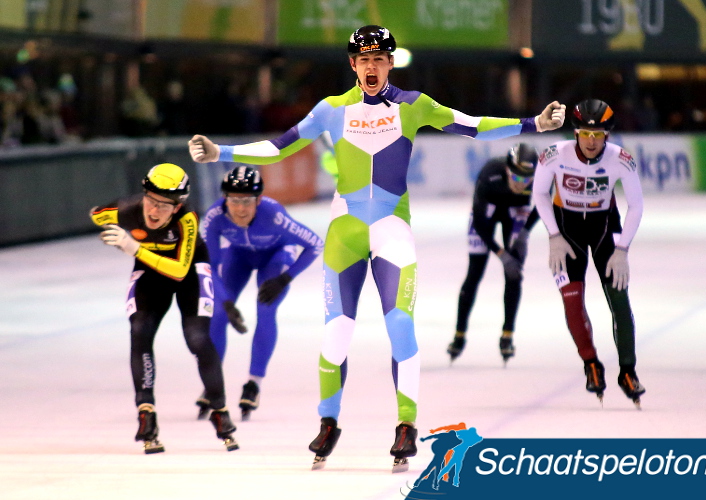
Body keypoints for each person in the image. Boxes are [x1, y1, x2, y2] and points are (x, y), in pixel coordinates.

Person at [188, 25, 566, 470]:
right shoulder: (332, 109)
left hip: (391, 228)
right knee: (336, 335)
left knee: (400, 325)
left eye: (380, 59)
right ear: (353, 65)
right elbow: (279, 146)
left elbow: (470, 125)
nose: (372, 66)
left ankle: (406, 425)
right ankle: (328, 422)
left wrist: (531, 124)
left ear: (390, 63)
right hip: (345, 231)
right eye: (364, 59)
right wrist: (223, 154)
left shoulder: (413, 105)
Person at [90, 163, 239, 453]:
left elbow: (180, 271)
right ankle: (146, 415)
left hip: (190, 272)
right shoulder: (126, 209)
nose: (154, 211)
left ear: (178, 206)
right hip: (150, 270)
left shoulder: (187, 220)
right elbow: (96, 214)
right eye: (151, 200)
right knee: (139, 330)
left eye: (164, 206)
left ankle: (220, 411)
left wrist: (134, 248)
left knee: (196, 337)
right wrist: (109, 230)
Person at [531, 99, 646, 409]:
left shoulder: (621, 158)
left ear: (608, 135)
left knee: (619, 301)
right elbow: (539, 193)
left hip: (605, 228)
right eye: (584, 134)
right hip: (567, 232)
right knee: (572, 300)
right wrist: (553, 235)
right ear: (576, 133)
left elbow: (636, 205)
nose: (592, 141)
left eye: (598, 135)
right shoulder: (555, 154)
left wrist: (622, 249)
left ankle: (628, 371)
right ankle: (591, 364)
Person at [195, 165, 323, 421]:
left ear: (260, 200)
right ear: (224, 199)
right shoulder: (213, 217)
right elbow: (210, 267)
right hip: (239, 256)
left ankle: (253, 383)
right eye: (234, 201)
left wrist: (285, 278)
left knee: (265, 310)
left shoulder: (273, 214)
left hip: (275, 257)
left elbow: (315, 244)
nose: (240, 208)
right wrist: (227, 303)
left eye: (247, 201)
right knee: (218, 313)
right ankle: (213, 382)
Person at [447, 143, 540, 366]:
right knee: (475, 272)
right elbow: (480, 224)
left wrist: (525, 233)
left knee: (514, 273)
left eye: (526, 180)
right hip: (487, 215)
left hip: (515, 213)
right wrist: (501, 254)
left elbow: (545, 204)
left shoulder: (539, 178)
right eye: (517, 178)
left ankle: (507, 335)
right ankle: (459, 334)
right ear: (507, 170)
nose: (521, 184)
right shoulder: (490, 174)